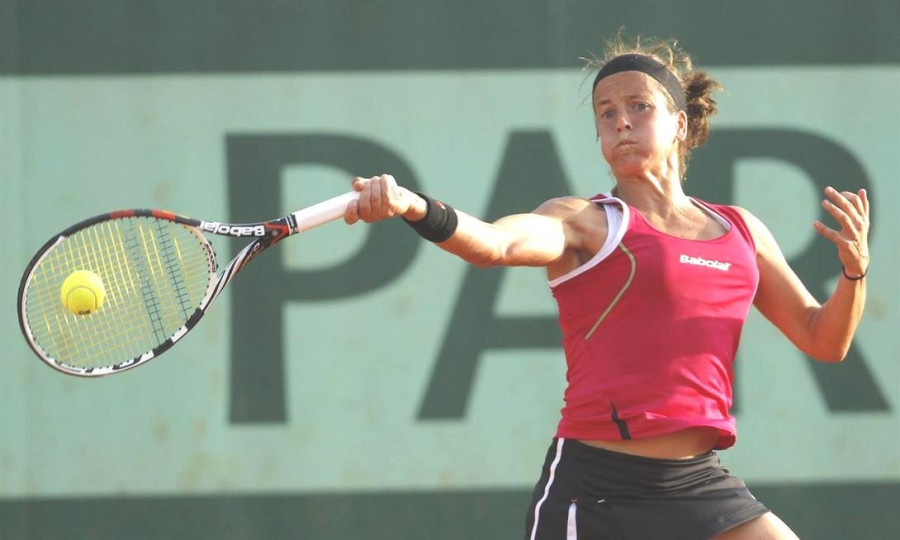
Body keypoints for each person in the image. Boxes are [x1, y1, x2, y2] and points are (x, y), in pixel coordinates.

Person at [343, 34, 869, 540]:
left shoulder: (742, 231)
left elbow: (824, 338)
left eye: (639, 107)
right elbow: (494, 245)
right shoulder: (587, 222)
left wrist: (853, 274)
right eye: (606, 113)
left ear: (681, 123)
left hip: (699, 484)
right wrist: (413, 205)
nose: (621, 123)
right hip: (596, 493)